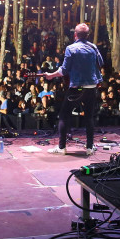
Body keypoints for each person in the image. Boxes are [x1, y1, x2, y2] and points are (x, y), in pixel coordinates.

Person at [44, 23, 103, 155]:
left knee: (64, 116)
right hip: (91, 87)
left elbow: (64, 70)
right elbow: (101, 63)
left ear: (75, 35)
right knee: (89, 117)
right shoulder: (93, 47)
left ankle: (62, 147)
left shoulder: (71, 48)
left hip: (76, 88)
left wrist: (51, 75)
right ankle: (89, 148)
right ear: (88, 35)